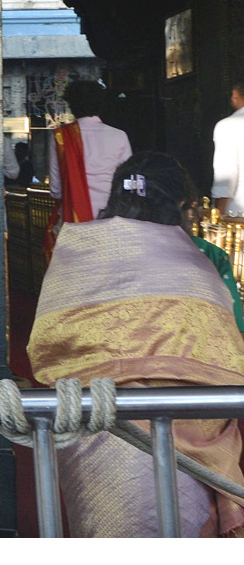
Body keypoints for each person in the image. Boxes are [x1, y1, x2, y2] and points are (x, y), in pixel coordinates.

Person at [28, 152, 244, 537]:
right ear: (180, 205)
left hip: (97, 425)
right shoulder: (195, 263)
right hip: (181, 429)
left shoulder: (75, 253)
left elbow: (46, 344)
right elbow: (227, 351)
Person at [47, 78, 132, 225]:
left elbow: (56, 189)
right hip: (112, 218)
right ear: (101, 104)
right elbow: (128, 182)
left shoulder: (60, 137)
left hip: (74, 219)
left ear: (71, 106)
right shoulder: (119, 136)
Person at [212, 77, 244, 217]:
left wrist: (217, 217)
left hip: (238, 216)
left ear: (235, 94)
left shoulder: (229, 126)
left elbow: (226, 177)